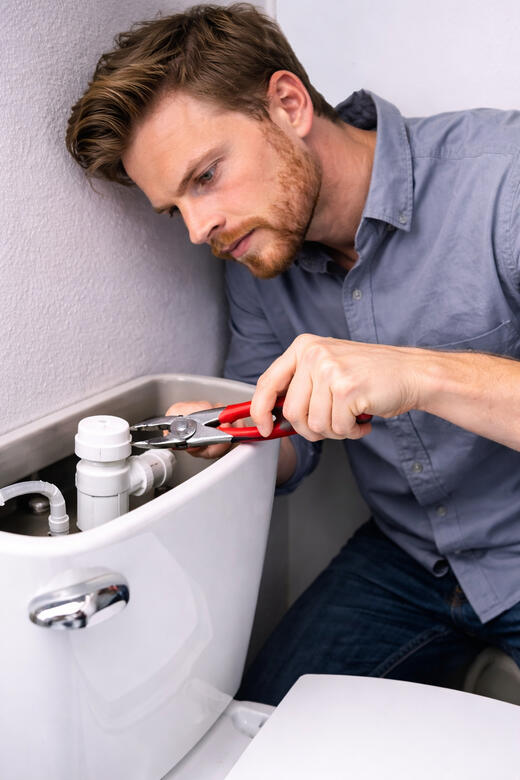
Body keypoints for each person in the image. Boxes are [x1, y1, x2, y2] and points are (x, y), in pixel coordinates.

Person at [66, 3, 520, 706]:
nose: (198, 230)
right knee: (254, 729)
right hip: (408, 561)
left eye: (206, 177)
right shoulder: (254, 254)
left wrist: (417, 373)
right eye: (174, 210)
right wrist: (232, 432)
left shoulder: (502, 180)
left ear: (288, 104)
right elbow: (287, 438)